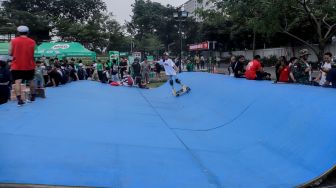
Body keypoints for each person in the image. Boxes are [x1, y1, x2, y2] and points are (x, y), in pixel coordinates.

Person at [8, 25, 36, 106]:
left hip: (17, 65)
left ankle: (19, 100)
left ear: (18, 32)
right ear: (27, 32)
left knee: (17, 82)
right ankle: (33, 97)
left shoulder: (13, 41)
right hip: (29, 64)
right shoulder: (32, 41)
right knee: (31, 80)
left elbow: (10, 53)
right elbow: (32, 53)